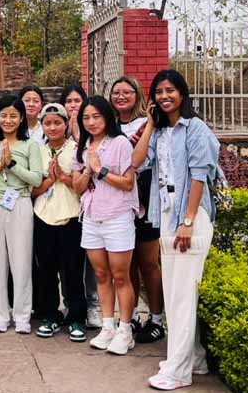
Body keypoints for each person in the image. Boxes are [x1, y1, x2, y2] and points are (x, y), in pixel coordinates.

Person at [131, 70, 219, 391]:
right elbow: (136, 162)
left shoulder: (195, 129)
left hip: (189, 219)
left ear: (182, 93)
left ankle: (178, 371)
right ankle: (195, 359)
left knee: (181, 297)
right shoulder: (161, 132)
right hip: (167, 217)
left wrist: (188, 222)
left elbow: (199, 176)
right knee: (177, 294)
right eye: (158, 92)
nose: (164, 96)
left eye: (170, 90)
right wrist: (150, 124)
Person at [73, 96, 140, 355]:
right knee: (101, 275)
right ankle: (108, 326)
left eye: (96, 116)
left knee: (120, 276)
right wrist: (88, 170)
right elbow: (78, 187)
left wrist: (100, 171)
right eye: (86, 118)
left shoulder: (120, 143)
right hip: (92, 217)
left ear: (107, 117)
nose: (91, 122)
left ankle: (125, 330)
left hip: (117, 216)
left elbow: (128, 183)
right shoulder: (83, 146)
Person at [0, 95, 44, 334]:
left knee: (21, 262)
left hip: (21, 202)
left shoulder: (30, 145)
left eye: (13, 116)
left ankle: (22, 316)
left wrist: (12, 164)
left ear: (22, 118)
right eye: (3, 115)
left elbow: (37, 179)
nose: (8, 120)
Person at [110, 76, 166, 345]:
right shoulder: (108, 125)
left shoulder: (149, 123)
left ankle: (156, 320)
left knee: (149, 262)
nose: (121, 96)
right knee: (126, 263)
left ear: (137, 95)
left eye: (127, 92)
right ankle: (129, 316)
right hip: (117, 196)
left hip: (144, 191)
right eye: (116, 92)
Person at [31, 103, 87, 342]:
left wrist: (62, 177)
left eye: (57, 122)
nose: (52, 127)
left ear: (66, 124)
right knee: (46, 269)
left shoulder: (77, 150)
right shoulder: (36, 150)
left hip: (71, 216)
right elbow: (31, 189)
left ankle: (76, 317)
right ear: (42, 126)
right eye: (47, 123)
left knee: (72, 270)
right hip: (43, 215)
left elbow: (83, 186)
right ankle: (50, 315)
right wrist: (48, 181)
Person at [59, 83, 102, 328]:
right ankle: (71, 303)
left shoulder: (92, 134)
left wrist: (78, 133)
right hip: (67, 208)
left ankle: (94, 305)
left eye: (77, 101)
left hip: (91, 206)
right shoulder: (56, 131)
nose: (73, 106)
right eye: (69, 101)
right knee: (69, 262)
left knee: (92, 261)